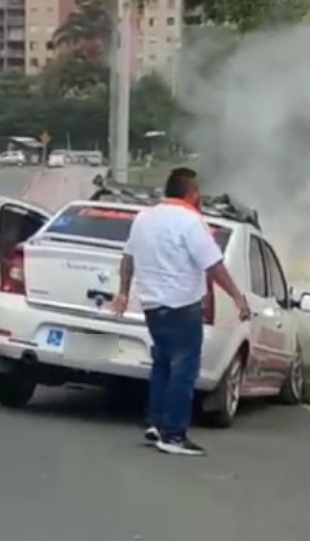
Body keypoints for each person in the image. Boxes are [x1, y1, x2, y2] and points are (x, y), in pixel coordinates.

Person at [111, 167, 252, 457]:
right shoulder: (191, 221)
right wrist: (238, 297)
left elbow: (127, 258)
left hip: (152, 305)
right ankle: (174, 435)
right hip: (181, 305)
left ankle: (156, 423)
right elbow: (213, 265)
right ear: (192, 194)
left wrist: (123, 292)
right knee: (184, 369)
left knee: (162, 363)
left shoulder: (143, 218)